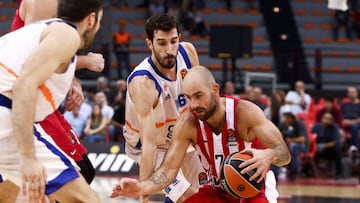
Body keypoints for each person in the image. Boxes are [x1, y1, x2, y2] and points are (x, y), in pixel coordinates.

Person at [111, 66, 291, 202]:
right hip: (217, 191)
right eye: (188, 98)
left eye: (198, 96)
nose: (193, 105)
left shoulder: (245, 112)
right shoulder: (188, 122)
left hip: (254, 189)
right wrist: (142, 188)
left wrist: (269, 154)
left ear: (214, 90)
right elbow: (168, 170)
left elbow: (284, 153)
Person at [0, 0, 104, 202]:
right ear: (92, 19)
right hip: (6, 112)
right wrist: (28, 157)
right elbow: (24, 86)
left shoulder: (47, 32)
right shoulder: (67, 33)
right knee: (86, 198)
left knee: (10, 194)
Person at [122, 13, 204, 203]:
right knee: (187, 197)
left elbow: (201, 101)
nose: (169, 49)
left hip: (182, 136)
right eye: (162, 43)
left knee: (206, 194)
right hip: (153, 146)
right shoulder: (143, 82)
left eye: (173, 41)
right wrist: (144, 196)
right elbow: (149, 144)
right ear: (149, 44)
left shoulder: (188, 53)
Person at [312, 112, 343, 179]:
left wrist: (324, 145)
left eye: (329, 119)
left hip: (329, 150)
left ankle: (339, 173)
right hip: (317, 149)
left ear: (332, 120)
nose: (327, 120)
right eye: (325, 118)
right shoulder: (316, 126)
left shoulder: (334, 127)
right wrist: (315, 146)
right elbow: (311, 137)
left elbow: (336, 142)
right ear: (322, 118)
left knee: (337, 150)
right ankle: (309, 172)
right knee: (309, 151)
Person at [278, 111, 308, 181]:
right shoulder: (283, 124)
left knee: (293, 146)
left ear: (291, 118)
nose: (285, 120)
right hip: (287, 146)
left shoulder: (299, 124)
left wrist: (291, 140)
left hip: (302, 146)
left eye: (287, 118)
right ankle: (279, 169)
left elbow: (303, 139)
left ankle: (294, 170)